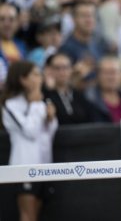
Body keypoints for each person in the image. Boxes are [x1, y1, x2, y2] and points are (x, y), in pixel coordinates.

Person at [1, 61, 58, 221]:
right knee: (28, 215)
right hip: (24, 167)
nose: (40, 78)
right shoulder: (11, 104)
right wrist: (34, 105)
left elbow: (49, 133)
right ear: (23, 79)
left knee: (38, 214)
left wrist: (50, 119)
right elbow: (30, 132)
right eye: (35, 74)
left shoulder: (40, 101)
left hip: (45, 167)